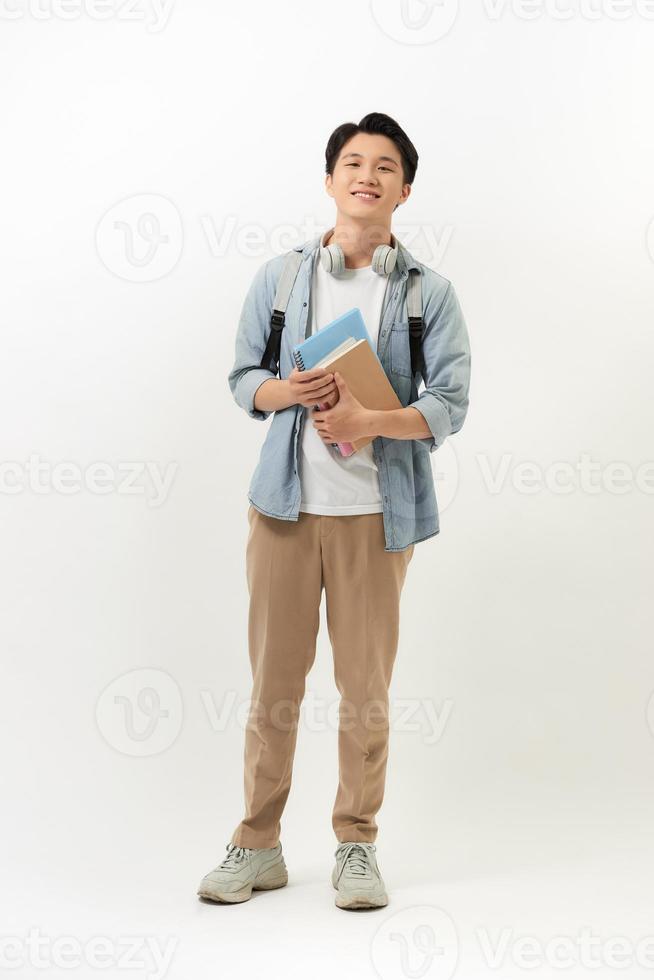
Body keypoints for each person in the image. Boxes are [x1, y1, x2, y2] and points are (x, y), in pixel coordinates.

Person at [197, 112, 471, 910]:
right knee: (273, 687)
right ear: (329, 180)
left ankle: (357, 845)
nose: (367, 176)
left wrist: (367, 422)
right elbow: (245, 379)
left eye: (385, 166)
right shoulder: (282, 279)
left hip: (376, 518)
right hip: (283, 508)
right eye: (353, 162)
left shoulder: (429, 293)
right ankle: (257, 844)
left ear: (405, 189)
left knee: (366, 691)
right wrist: (293, 391)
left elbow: (451, 405)